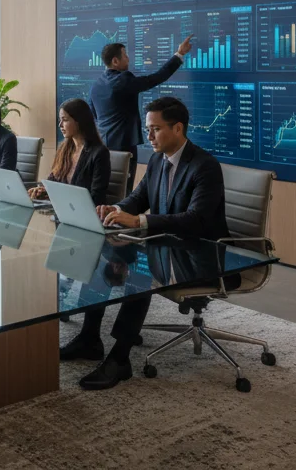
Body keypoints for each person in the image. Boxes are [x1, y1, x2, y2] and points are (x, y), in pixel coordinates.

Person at [64, 95, 228, 391]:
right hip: (166, 245)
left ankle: (120, 357)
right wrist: (115, 210)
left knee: (140, 275)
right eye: (148, 129)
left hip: (201, 256)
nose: (148, 136)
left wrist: (139, 222)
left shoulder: (205, 166)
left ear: (178, 129)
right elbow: (138, 198)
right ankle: (90, 338)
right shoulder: (157, 160)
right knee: (102, 257)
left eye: (155, 129)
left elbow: (196, 221)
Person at [88, 37, 193, 182]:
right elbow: (155, 78)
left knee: (108, 188)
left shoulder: (95, 86)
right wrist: (179, 54)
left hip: (104, 146)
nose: (128, 59)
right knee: (123, 189)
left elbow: (93, 114)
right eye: (125, 55)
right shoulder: (123, 80)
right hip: (124, 145)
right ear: (115, 61)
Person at [29, 98, 111, 206]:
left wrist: (57, 195)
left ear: (79, 122)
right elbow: (52, 181)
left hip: (84, 214)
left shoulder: (99, 153)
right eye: (60, 120)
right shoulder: (63, 149)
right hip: (62, 210)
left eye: (65, 120)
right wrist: (43, 190)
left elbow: (96, 198)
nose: (60, 125)